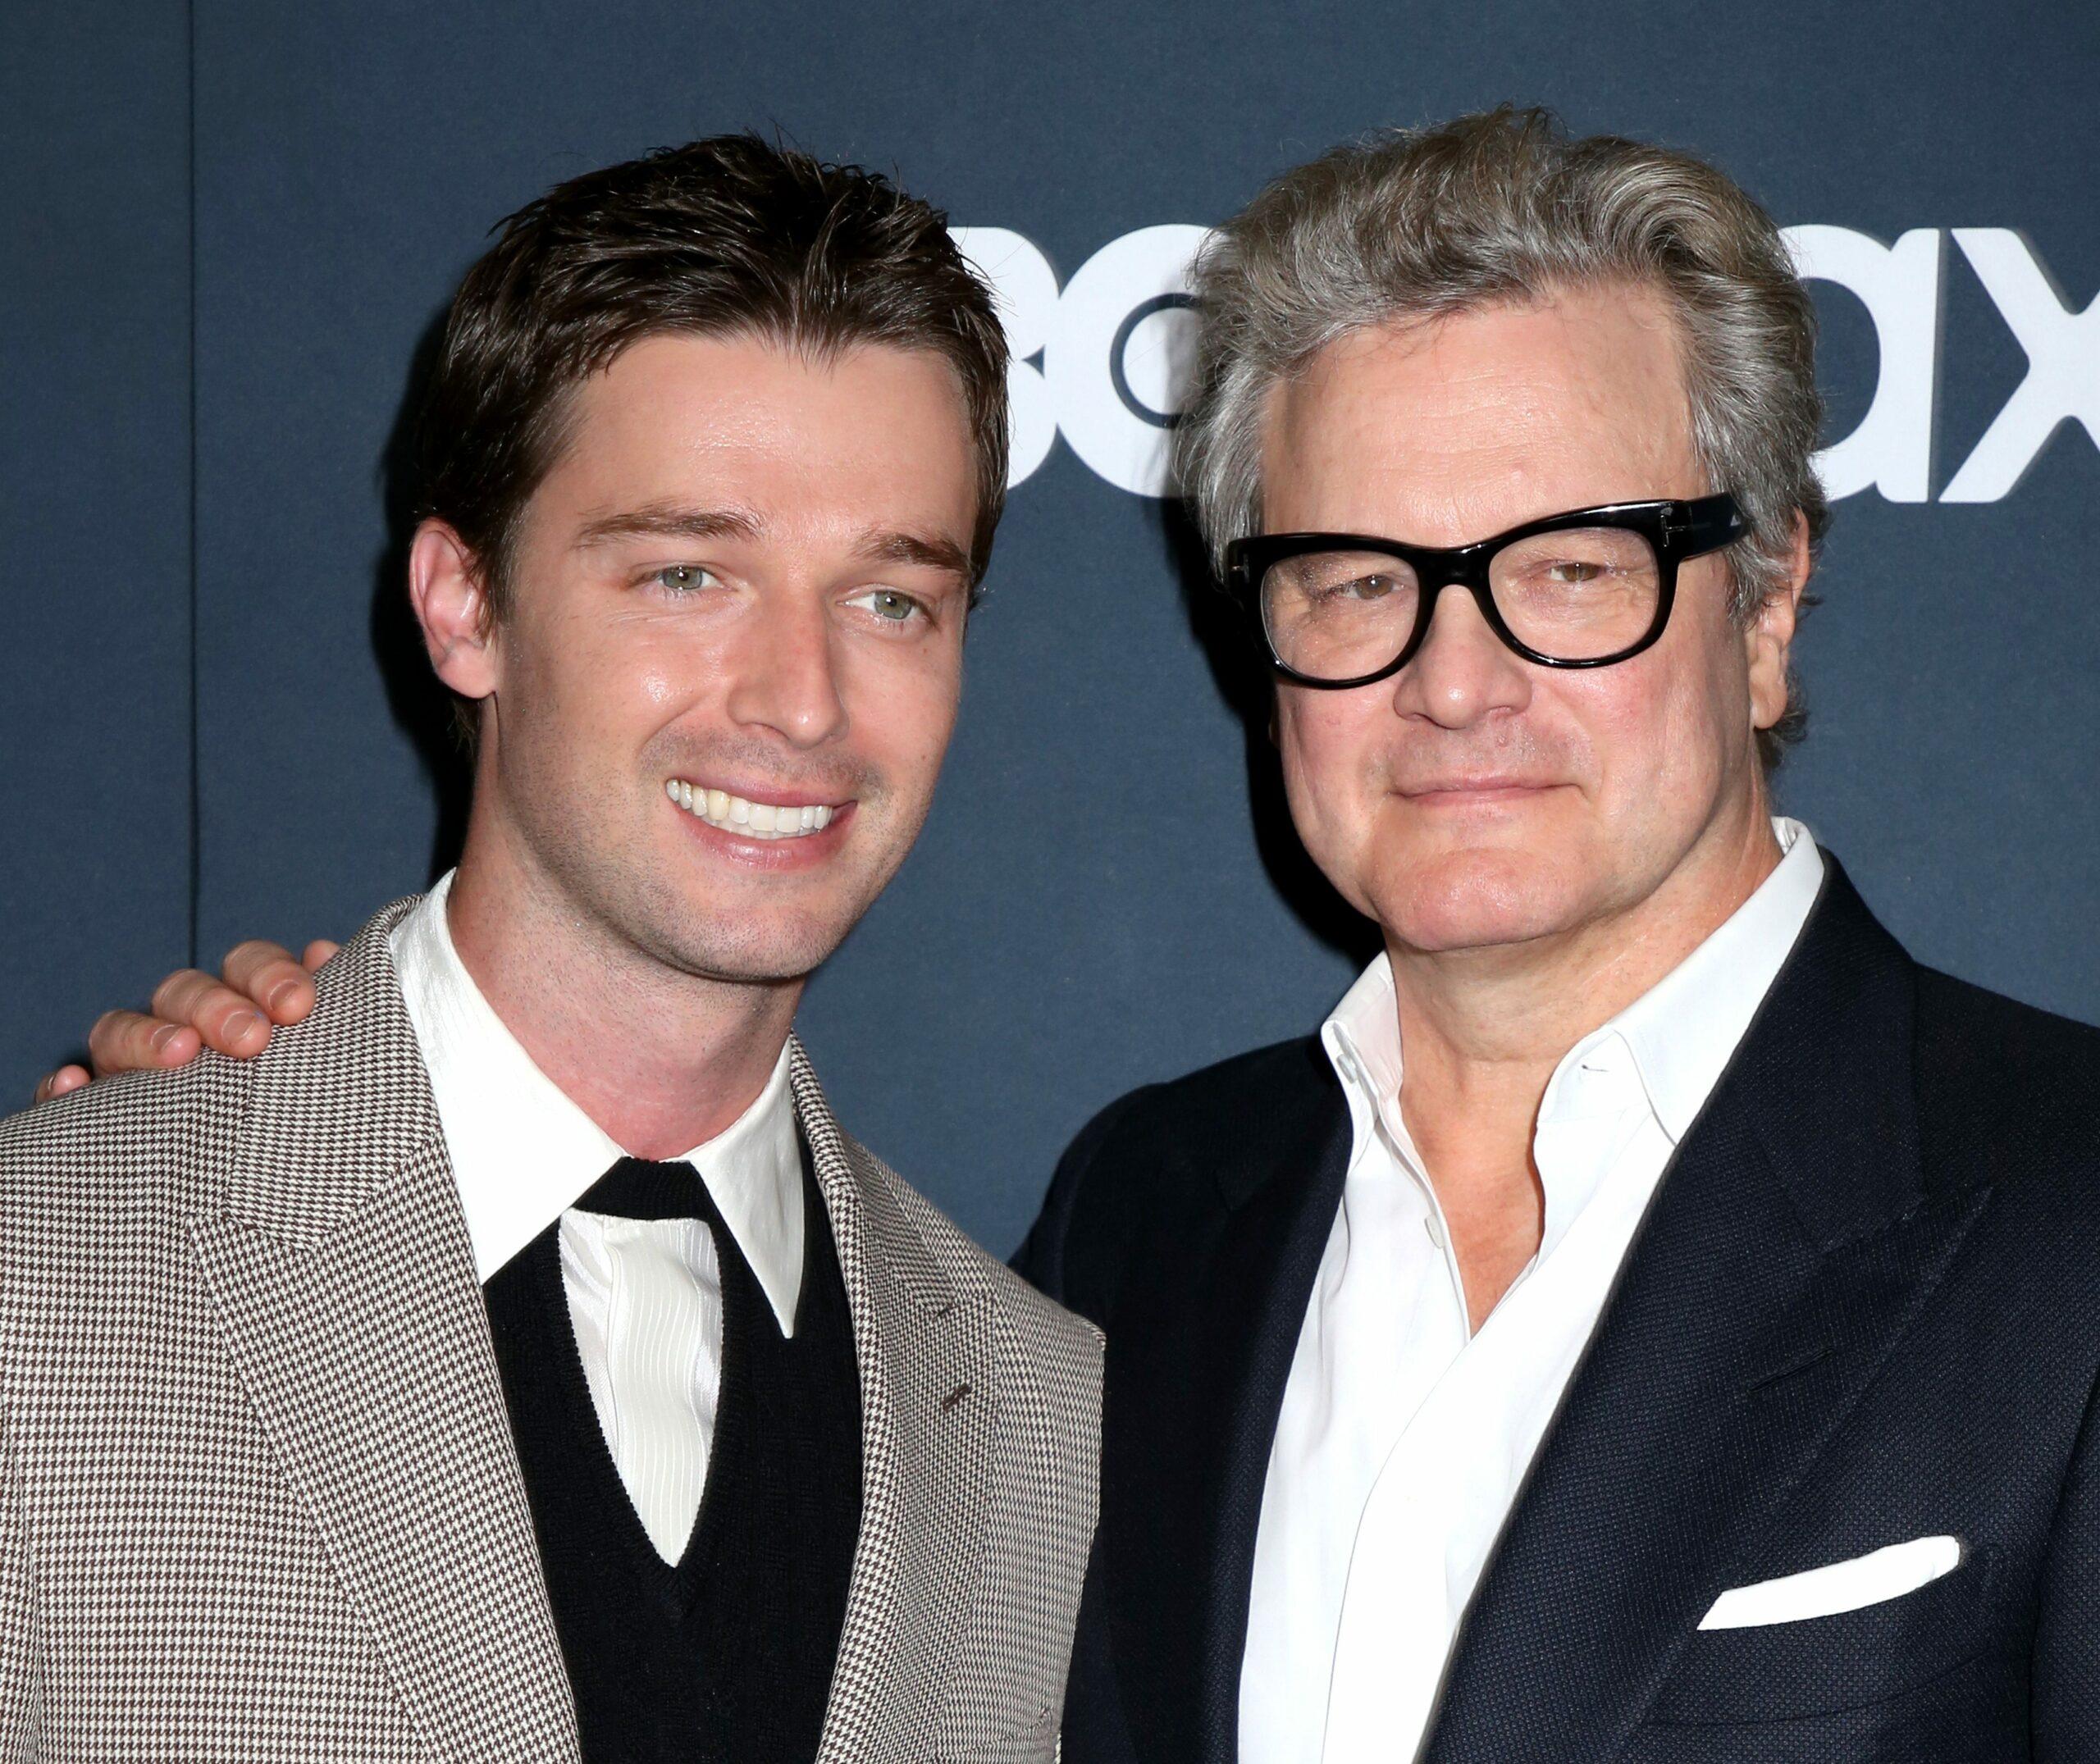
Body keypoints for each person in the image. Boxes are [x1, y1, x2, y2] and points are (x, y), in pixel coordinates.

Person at [59, 111, 2100, 1762]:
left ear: (1759, 606)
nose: (1453, 680)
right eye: (1351, 577)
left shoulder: (2063, 1212)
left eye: (1568, 568)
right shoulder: (1131, 1243)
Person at [3, 135, 1098, 1762]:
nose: (799, 698)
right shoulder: (46, 1287)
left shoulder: (1024, 1399)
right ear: (463, 602)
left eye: (888, 599)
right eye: (685, 572)